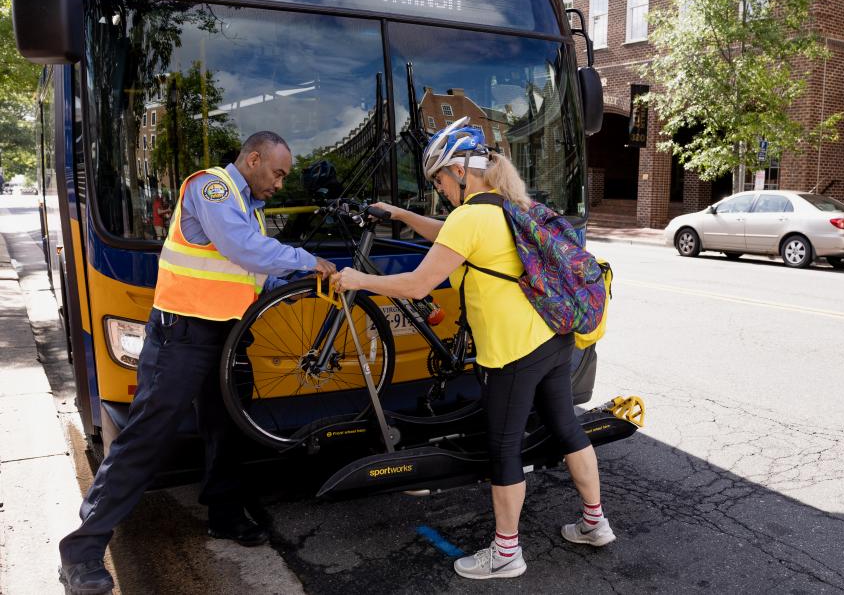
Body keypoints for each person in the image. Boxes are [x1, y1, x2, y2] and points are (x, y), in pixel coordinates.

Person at [330, 117, 614, 580]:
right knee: (567, 428)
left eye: (440, 177)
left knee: (503, 448)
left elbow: (420, 284)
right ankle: (595, 522)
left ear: (461, 170)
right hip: (553, 338)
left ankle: (506, 554)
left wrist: (359, 279)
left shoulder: (469, 218)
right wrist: (402, 216)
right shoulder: (506, 205)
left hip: (513, 351)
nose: (439, 187)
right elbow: (447, 233)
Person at [58, 131, 338, 595]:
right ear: (253, 159)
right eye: (278, 173)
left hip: (227, 335)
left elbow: (248, 275)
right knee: (146, 437)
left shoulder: (250, 207)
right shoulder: (212, 189)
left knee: (227, 427)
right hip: (182, 336)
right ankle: (82, 551)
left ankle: (225, 515)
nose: (281, 184)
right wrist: (309, 262)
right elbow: (244, 251)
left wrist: (291, 291)